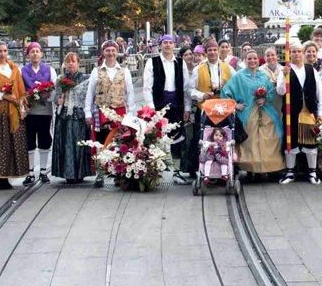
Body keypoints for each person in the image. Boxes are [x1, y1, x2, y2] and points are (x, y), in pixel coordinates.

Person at [222, 50, 285, 175]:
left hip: (266, 110)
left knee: (273, 136)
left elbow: (272, 91)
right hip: (248, 113)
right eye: (249, 59)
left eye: (255, 58)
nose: (252, 61)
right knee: (250, 141)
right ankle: (252, 170)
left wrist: (265, 98)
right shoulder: (239, 76)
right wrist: (235, 105)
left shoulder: (263, 75)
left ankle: (269, 168)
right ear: (245, 60)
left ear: (258, 60)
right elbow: (226, 92)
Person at [85, 40, 136, 188]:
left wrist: (130, 114)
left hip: (119, 111)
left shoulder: (124, 71)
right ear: (103, 53)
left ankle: (117, 173)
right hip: (102, 112)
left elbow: (130, 94)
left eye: (113, 50)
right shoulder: (96, 71)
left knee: (120, 144)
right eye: (108, 50)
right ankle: (100, 174)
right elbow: (90, 93)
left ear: (117, 52)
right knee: (101, 143)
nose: (111, 53)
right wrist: (87, 112)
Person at [143, 34, 191, 185]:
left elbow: (186, 87)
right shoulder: (152, 62)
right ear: (160, 45)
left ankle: (176, 172)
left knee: (176, 138)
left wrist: (187, 107)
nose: (168, 45)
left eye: (170, 43)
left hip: (176, 104)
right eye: (165, 43)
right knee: (156, 139)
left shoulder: (180, 63)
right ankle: (154, 173)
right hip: (158, 104)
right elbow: (146, 87)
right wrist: (151, 108)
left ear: (174, 45)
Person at [276, 42, 322, 185]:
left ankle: (313, 172)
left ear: (303, 53)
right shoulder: (284, 70)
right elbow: (280, 92)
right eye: (294, 51)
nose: (296, 54)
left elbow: (319, 92)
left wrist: (320, 111)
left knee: (311, 143)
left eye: (299, 51)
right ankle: (290, 172)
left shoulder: (311, 70)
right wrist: (284, 77)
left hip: (308, 112)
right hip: (291, 113)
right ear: (289, 54)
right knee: (290, 143)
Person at [0, 42, 30, 189]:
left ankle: (9, 174)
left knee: (13, 144)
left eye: (5, 51)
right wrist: (3, 95)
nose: (2, 54)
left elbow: (20, 91)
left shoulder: (14, 68)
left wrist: (22, 107)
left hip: (13, 111)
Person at [189, 39, 234, 177]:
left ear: (219, 51)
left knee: (224, 139)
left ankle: (225, 168)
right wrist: (203, 95)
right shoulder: (198, 69)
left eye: (215, 50)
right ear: (206, 52)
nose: (213, 53)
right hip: (206, 111)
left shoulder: (228, 68)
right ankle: (201, 169)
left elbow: (235, 86)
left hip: (223, 111)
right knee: (203, 139)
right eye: (210, 50)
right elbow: (191, 91)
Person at [21, 42, 57, 186]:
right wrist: (24, 103)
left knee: (44, 139)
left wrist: (47, 96)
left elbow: (54, 88)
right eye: (32, 51)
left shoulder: (49, 70)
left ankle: (43, 171)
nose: (35, 54)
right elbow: (19, 89)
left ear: (41, 54)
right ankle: (30, 172)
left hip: (44, 111)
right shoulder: (22, 70)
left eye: (37, 51)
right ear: (28, 55)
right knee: (29, 140)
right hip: (29, 111)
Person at [53, 53, 91, 184]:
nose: (71, 64)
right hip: (64, 115)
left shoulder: (86, 78)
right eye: (68, 61)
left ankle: (81, 172)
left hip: (79, 115)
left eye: (73, 61)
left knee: (79, 144)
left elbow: (89, 97)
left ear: (78, 63)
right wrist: (60, 99)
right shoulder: (61, 79)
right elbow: (55, 99)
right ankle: (68, 173)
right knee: (66, 144)